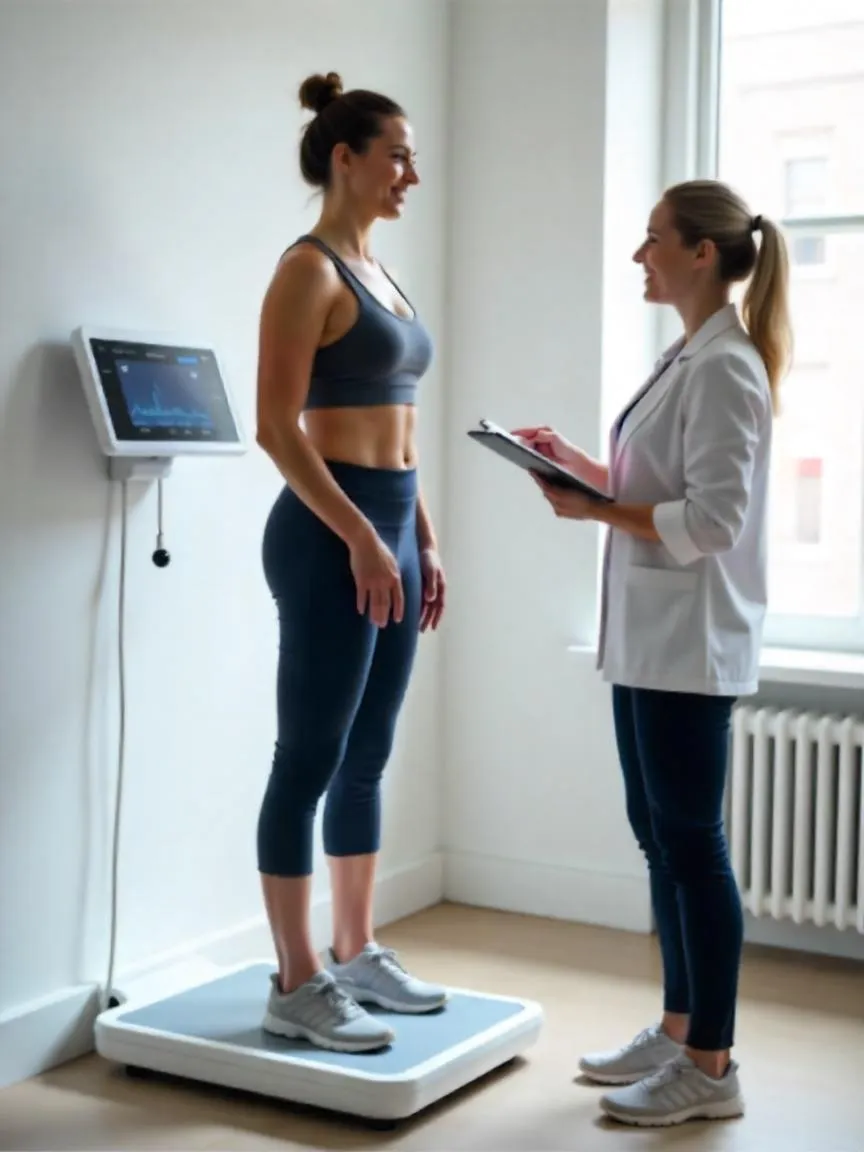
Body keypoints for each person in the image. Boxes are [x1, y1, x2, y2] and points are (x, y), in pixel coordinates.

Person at [516, 179, 791, 1127]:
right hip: (646, 639)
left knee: (692, 847)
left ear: (702, 254)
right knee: (659, 837)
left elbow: (713, 521)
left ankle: (711, 1068)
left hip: (689, 640)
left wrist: (598, 509)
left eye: (653, 240)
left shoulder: (726, 367)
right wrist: (586, 471)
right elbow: (660, 484)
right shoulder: (687, 356)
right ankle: (679, 1030)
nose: (641, 256)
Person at [254, 71, 447, 1054]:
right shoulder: (310, 270)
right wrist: (363, 537)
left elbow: (404, 426)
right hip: (330, 534)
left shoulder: (384, 272)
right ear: (347, 157)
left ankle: (356, 946)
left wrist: (422, 535)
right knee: (310, 756)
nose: (411, 171)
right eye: (398, 153)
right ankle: (296, 980)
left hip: (393, 531)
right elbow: (276, 429)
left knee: (369, 750)